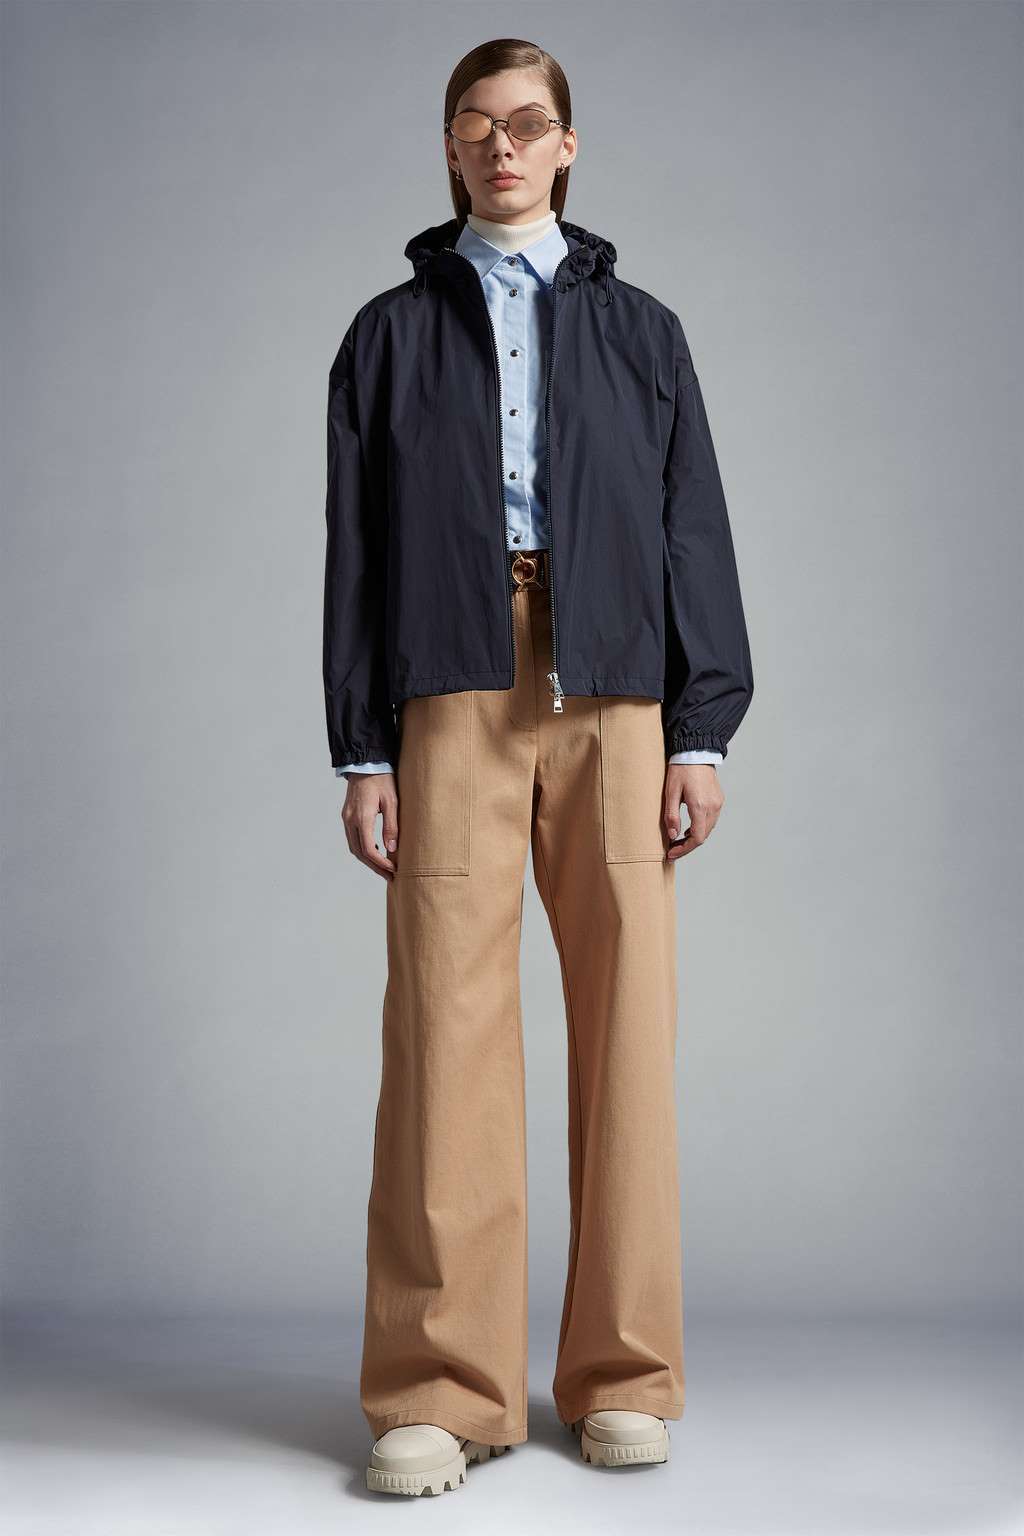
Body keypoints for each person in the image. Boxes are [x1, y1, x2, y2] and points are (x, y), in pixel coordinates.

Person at [322, 37, 754, 1498]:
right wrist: (363, 745)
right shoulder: (389, 334)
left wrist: (699, 727)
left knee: (629, 1026)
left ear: (568, 145)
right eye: (475, 125)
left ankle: (624, 1374)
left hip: (616, 679)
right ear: (449, 149)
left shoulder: (644, 331)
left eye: (527, 123)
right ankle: (441, 1389)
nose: (501, 146)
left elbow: (694, 524)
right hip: (450, 680)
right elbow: (357, 550)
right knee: (443, 1034)